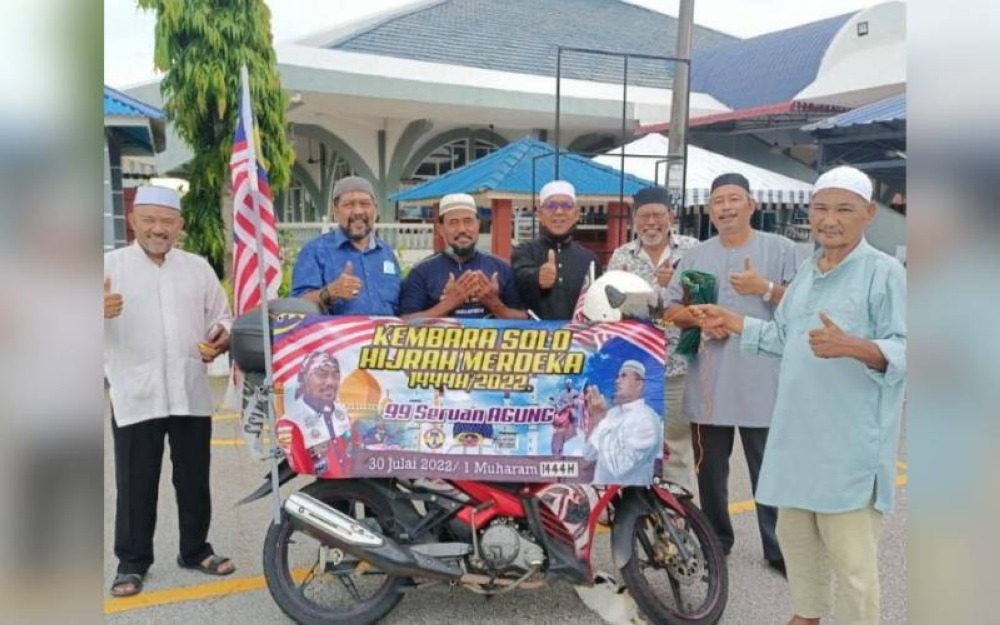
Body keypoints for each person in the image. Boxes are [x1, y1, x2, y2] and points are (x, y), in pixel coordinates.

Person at [688, 166, 906, 625]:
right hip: (794, 442)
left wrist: (860, 347)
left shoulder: (884, 274)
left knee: (853, 567)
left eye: (844, 209)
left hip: (848, 450)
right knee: (798, 544)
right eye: (821, 208)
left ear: (868, 214)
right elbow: (784, 336)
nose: (830, 219)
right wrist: (733, 320)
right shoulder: (808, 271)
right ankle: (806, 616)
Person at [104, 185, 235, 598]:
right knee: (136, 481)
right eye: (149, 220)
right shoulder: (109, 266)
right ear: (133, 222)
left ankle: (196, 550)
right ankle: (132, 561)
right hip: (136, 393)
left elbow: (223, 318)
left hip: (190, 390)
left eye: (167, 221)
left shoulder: (197, 268)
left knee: (194, 479)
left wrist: (220, 339)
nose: (158, 229)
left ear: (179, 225)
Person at [664, 172, 798, 574]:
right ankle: (716, 541)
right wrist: (698, 319)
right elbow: (670, 312)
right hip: (710, 383)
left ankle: (778, 548)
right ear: (709, 210)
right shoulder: (694, 257)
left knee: (769, 472)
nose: (725, 207)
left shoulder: (783, 249)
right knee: (710, 474)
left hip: (765, 382)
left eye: (734, 198)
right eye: (718, 200)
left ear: (752, 205)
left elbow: (805, 306)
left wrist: (767, 288)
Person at [608, 185, 699, 491]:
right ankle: (642, 522)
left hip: (678, 367)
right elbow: (612, 309)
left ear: (670, 216)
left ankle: (680, 525)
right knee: (637, 444)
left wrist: (679, 286)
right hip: (638, 367)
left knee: (675, 448)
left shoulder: (692, 250)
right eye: (643, 215)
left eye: (657, 215)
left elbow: (709, 302)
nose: (651, 222)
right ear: (634, 220)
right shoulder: (622, 256)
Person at [400, 192, 526, 319]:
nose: (462, 229)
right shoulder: (421, 272)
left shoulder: (502, 268)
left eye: (468, 221)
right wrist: (449, 303)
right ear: (440, 229)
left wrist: (494, 304)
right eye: (453, 223)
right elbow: (405, 323)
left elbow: (524, 320)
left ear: (478, 224)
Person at [291, 176, 402, 315]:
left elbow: (400, 306)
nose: (358, 211)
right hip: (335, 336)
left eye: (365, 204)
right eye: (349, 204)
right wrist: (331, 292)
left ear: (376, 209)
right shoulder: (315, 251)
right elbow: (295, 307)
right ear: (335, 211)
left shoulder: (386, 253)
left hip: (384, 336)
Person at [512, 180, 603, 319]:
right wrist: (537, 277)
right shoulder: (524, 252)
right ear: (540, 215)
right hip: (534, 338)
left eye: (566, 205)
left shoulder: (590, 259)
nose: (559, 211)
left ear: (577, 214)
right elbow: (521, 275)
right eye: (551, 205)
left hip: (578, 338)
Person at [582, 360, 662, 485]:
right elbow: (589, 454)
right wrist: (595, 417)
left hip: (629, 498)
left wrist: (602, 420)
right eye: (618, 376)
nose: (617, 381)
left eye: (623, 376)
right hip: (599, 494)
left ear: (639, 383)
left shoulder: (647, 420)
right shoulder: (612, 413)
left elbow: (620, 468)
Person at [281, 351, 356, 476]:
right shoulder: (291, 422)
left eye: (335, 375)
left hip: (353, 486)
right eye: (321, 374)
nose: (330, 382)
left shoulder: (344, 413)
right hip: (326, 487)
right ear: (305, 378)